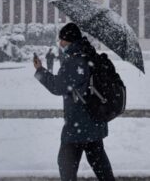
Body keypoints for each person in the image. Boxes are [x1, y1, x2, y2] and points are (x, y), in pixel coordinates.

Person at [33, 23, 115, 181]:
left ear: (69, 40)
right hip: (94, 120)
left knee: (66, 164)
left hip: (78, 124)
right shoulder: (89, 54)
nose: (60, 43)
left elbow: (58, 86)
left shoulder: (75, 61)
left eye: (62, 39)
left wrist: (40, 71)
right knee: (101, 167)